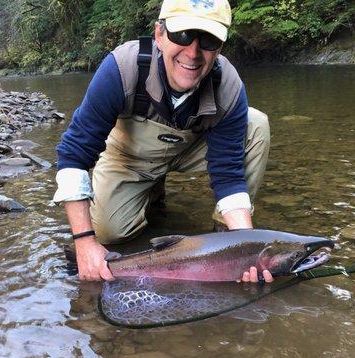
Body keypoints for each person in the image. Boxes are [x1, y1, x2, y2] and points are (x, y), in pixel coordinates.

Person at [54, 0, 272, 283]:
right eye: (182, 35)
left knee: (255, 125)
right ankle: (150, 189)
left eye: (207, 40)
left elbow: (228, 174)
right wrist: (84, 241)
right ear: (159, 35)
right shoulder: (121, 68)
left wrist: (246, 249)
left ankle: (224, 239)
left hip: (189, 149)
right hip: (129, 156)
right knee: (109, 233)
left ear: (219, 47)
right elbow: (73, 156)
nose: (193, 52)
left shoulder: (228, 86)